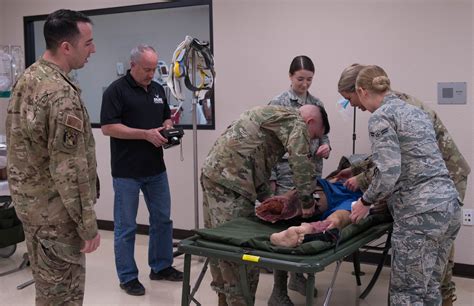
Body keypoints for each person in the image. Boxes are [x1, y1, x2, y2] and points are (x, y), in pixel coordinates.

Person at [336, 63, 470, 306]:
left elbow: (389, 170)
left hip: (420, 215)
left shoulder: (380, 117)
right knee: (429, 289)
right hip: (449, 209)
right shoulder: (414, 111)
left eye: (354, 98)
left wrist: (365, 202)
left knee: (407, 295)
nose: (356, 106)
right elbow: (412, 158)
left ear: (363, 91)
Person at [6, 9, 100, 305]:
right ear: (66, 47)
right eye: (88, 43)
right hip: (56, 216)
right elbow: (69, 168)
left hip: (32, 209)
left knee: (48, 291)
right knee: (62, 296)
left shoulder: (29, 78)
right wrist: (87, 225)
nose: (93, 50)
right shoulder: (61, 95)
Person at [201, 104, 329, 306]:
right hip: (232, 182)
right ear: (310, 122)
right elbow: (300, 161)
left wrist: (270, 198)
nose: (311, 142)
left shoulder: (275, 115)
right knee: (237, 248)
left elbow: (257, 162)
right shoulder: (297, 122)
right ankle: (238, 302)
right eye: (314, 136)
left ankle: (224, 300)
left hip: (215, 174)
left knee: (219, 244)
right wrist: (306, 202)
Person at [100, 44, 183, 296]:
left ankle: (161, 266)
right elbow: (108, 127)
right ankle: (128, 277)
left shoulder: (158, 89)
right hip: (127, 171)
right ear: (132, 65)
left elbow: (165, 117)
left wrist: (167, 128)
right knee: (126, 227)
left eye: (154, 68)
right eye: (146, 69)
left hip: (155, 168)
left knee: (162, 220)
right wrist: (144, 135)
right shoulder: (116, 91)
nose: (151, 74)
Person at [267, 55, 331, 305]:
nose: (305, 84)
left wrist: (326, 147)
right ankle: (278, 291)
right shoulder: (279, 102)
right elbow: (270, 144)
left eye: (309, 79)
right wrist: (271, 179)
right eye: (300, 79)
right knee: (286, 229)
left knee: (306, 222)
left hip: (312, 171)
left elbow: (323, 135)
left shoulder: (316, 102)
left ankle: (298, 276)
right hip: (285, 173)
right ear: (290, 77)